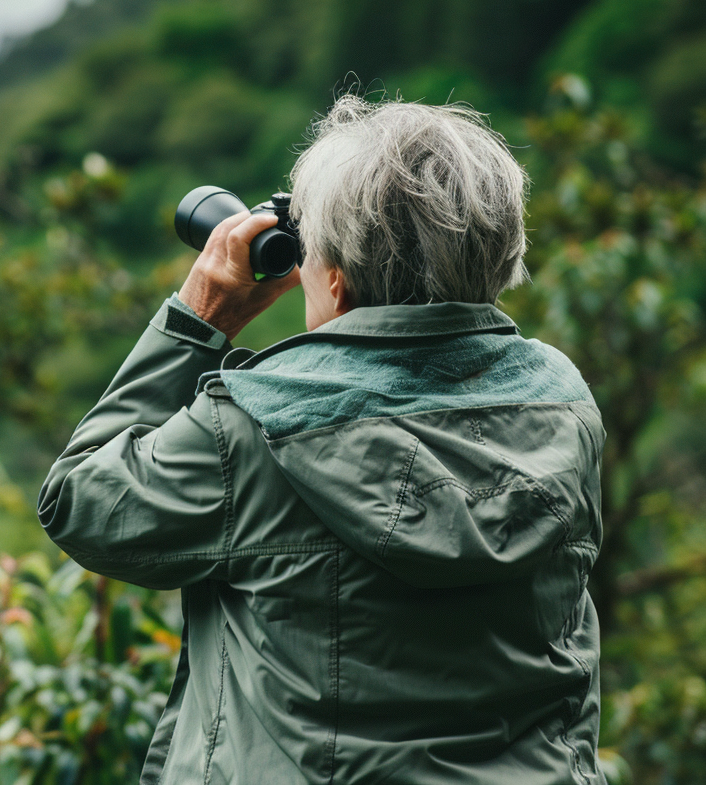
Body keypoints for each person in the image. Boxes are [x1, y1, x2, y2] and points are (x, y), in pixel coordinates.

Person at [38, 96, 605, 784]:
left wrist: (197, 319)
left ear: (333, 279)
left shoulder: (251, 431)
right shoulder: (563, 405)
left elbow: (79, 502)